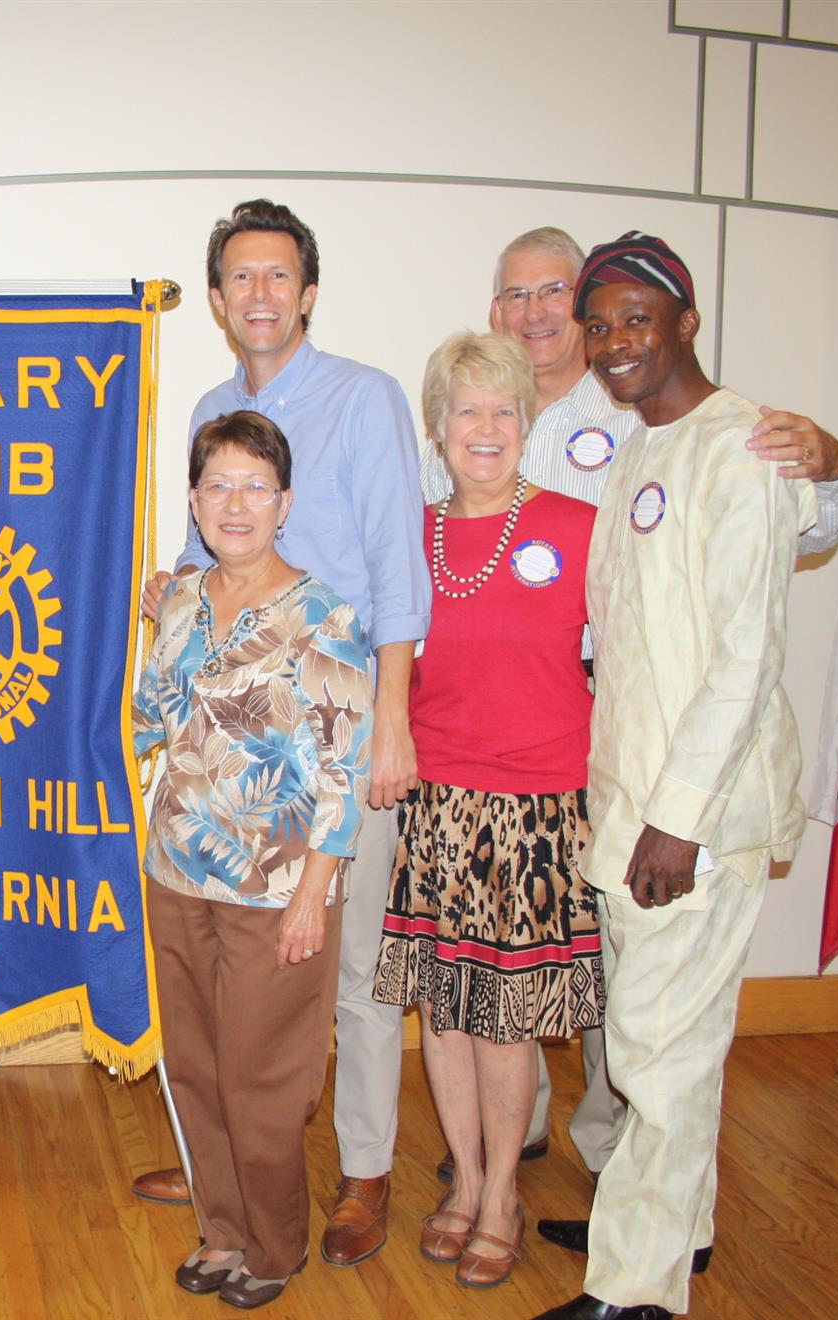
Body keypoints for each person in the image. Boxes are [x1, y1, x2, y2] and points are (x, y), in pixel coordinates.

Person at [424, 227, 838, 1194]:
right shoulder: (480, 421)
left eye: (557, 294)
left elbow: (792, 535)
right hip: (553, 738)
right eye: (518, 295)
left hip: (633, 734)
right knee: (574, 972)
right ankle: (532, 1155)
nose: (541, 313)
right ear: (496, 312)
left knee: (635, 1006)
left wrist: (829, 466)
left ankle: (624, 1183)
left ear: (672, 323)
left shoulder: (646, 415)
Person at [135, 199, 428, 1268]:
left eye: (277, 276)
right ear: (218, 299)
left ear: (306, 293)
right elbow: (203, 553)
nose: (258, 294)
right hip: (222, 776)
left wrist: (391, 717)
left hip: (336, 735)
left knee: (341, 971)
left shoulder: (366, 397)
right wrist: (171, 593)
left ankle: (362, 1172)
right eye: (240, 278)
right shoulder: (216, 405)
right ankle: (237, 1176)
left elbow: (398, 564)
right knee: (231, 1006)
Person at [531, 234, 815, 1320]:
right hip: (630, 804)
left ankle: (636, 1290)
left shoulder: (743, 446)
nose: (614, 342)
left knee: (659, 1054)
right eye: (599, 325)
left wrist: (679, 820)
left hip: (694, 820)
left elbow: (747, 656)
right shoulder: (642, 445)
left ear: (686, 321)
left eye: (636, 319)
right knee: (658, 1042)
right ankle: (664, 1226)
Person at [373, 332, 603, 1291]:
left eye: (504, 410)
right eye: (466, 409)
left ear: (527, 423)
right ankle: (463, 1182)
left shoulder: (579, 526)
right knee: (447, 1011)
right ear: (437, 425)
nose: (485, 427)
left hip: (538, 808)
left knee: (507, 1020)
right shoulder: (412, 537)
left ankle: (503, 1195)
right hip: (438, 803)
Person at [135, 410, 373, 1310]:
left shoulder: (323, 615)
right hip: (176, 874)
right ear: (194, 502)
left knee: (260, 1079)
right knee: (196, 1069)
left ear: (285, 503)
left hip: (277, 887)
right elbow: (150, 715)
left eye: (255, 488)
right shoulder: (181, 600)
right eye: (218, 487)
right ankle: (223, 1230)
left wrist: (315, 891)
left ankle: (274, 1244)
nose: (235, 505)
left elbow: (347, 769)